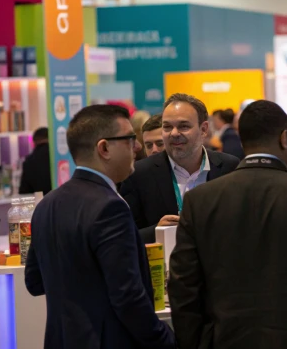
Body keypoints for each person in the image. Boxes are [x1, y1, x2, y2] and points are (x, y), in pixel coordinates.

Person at [169, 100, 287, 349]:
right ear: (284, 139)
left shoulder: (200, 200)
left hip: (226, 340)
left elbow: (183, 290)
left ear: (244, 140)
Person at [24, 105, 174, 349]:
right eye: (129, 139)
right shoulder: (110, 207)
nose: (136, 147)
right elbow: (128, 297)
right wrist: (164, 338)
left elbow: (35, 281)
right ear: (104, 148)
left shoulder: (47, 204)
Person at [119, 93, 240, 244]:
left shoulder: (229, 168)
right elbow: (124, 237)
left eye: (183, 126)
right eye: (167, 127)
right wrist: (157, 231)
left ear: (203, 129)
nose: (174, 133)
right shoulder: (139, 175)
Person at [19, 127, 52, 195]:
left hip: (41, 203)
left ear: (34, 142)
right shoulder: (57, 157)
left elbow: (24, 192)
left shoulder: (28, 161)